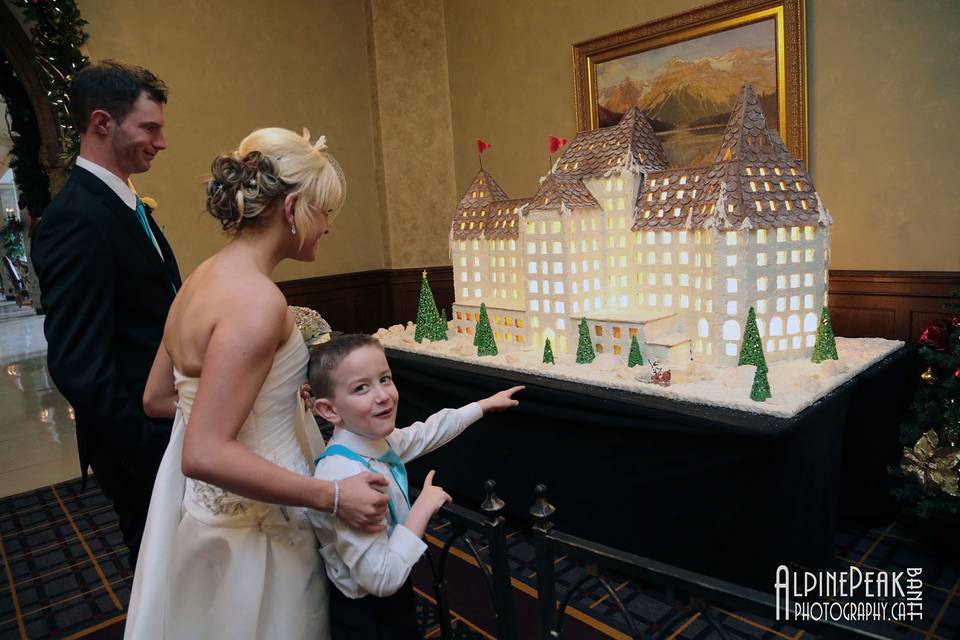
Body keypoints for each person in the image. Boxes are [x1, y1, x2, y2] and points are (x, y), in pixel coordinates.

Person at [124, 128, 390, 640]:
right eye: (324, 211)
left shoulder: (199, 280)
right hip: (262, 527)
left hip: (207, 516)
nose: (328, 227)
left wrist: (245, 410)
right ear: (291, 208)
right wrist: (330, 494)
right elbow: (201, 452)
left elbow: (158, 398)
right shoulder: (257, 300)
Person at [31, 61, 180, 569]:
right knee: (158, 568)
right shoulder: (75, 217)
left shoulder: (125, 203)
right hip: (139, 442)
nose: (160, 142)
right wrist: (149, 443)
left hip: (165, 421)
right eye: (149, 128)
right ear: (102, 123)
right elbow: (78, 365)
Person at [308, 333, 524, 640]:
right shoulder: (347, 478)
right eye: (361, 388)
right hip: (370, 617)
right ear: (329, 411)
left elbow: (425, 433)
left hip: (392, 596)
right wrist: (422, 507)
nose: (383, 395)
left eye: (385, 378)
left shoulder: (373, 443)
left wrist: (483, 405)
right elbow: (382, 579)